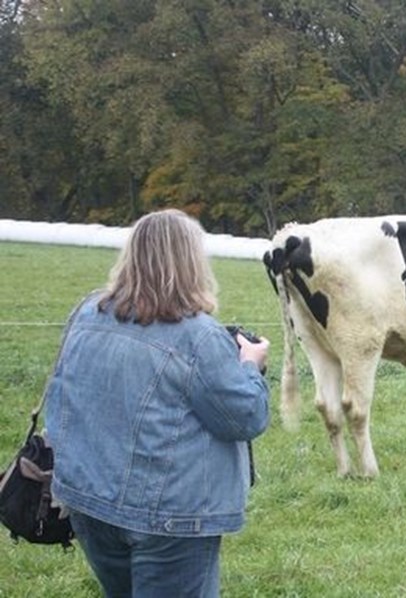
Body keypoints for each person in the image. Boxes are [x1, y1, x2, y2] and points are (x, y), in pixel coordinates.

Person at [44, 209, 271, 597]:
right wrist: (250, 365)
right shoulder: (198, 337)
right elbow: (245, 416)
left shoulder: (85, 314)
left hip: (89, 499)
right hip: (169, 517)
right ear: (192, 262)